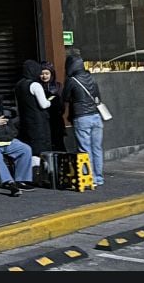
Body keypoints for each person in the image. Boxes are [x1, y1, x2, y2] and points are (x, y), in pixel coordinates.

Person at [0, 88, 35, 196]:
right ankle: (8, 182)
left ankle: (21, 180)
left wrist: (11, 132)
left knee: (25, 149)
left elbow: (5, 124)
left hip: (4, 138)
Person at [62, 51, 106, 186]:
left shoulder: (71, 80)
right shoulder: (91, 78)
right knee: (97, 148)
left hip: (82, 117)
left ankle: (90, 178)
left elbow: (65, 97)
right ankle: (99, 177)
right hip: (96, 116)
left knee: (85, 149)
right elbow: (98, 96)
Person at [14, 60, 53, 159]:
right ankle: (42, 172)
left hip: (25, 121)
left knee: (29, 149)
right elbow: (43, 104)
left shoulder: (18, 85)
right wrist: (50, 101)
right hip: (38, 123)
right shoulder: (35, 85)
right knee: (41, 149)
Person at [41, 65, 67, 152]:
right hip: (44, 121)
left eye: (47, 73)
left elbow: (62, 103)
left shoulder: (58, 86)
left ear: (51, 74)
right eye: (42, 74)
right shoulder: (38, 86)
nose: (44, 76)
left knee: (59, 144)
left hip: (56, 120)